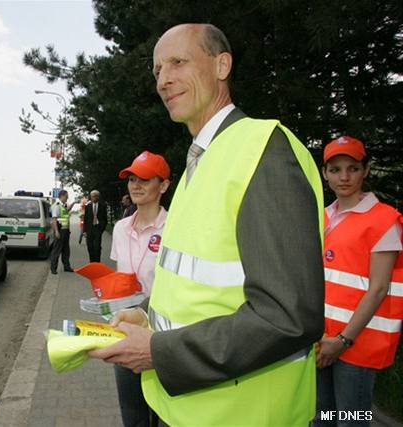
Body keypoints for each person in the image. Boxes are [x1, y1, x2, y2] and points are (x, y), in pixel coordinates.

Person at [89, 23, 325, 426]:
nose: (163, 79)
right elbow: (193, 286)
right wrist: (145, 316)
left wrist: (158, 352)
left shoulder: (262, 151)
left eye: (178, 62)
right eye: (157, 70)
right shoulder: (201, 161)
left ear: (222, 65)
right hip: (184, 409)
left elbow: (288, 317)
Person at [313, 136, 403, 427]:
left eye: (352, 168)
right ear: (325, 173)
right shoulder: (322, 216)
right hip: (321, 340)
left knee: (351, 421)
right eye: (336, 169)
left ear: (365, 170)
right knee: (322, 417)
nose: (344, 177)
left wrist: (342, 340)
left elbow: (378, 289)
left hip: (357, 343)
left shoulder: (384, 219)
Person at [111, 151, 170, 427]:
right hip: (125, 329)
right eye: (132, 178)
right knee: (132, 413)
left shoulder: (176, 228)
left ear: (164, 185)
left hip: (162, 334)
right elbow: (119, 275)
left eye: (145, 179)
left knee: (163, 414)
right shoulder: (121, 228)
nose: (135, 185)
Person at [50, 190, 74, 274]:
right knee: (57, 250)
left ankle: (66, 267)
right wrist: (56, 231)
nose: (67, 199)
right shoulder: (56, 206)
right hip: (59, 230)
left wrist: (74, 203)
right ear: (62, 196)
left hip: (66, 231)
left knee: (66, 250)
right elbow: (54, 219)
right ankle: (53, 268)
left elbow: (67, 210)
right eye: (66, 197)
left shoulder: (63, 205)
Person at [83, 190, 108, 262]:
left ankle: (97, 263)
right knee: (90, 247)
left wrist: (101, 229)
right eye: (92, 196)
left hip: (98, 229)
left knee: (97, 247)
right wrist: (84, 231)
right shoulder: (88, 206)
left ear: (98, 197)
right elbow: (86, 219)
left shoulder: (102, 206)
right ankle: (92, 262)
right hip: (89, 230)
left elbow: (105, 219)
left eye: (94, 196)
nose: (93, 198)